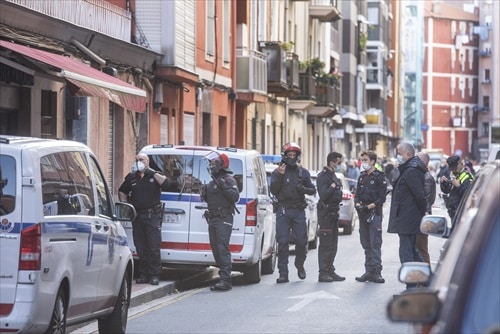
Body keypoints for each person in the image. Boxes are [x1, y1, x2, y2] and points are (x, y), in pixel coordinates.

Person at [119, 153, 169, 285]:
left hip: (152, 216)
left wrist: (150, 172)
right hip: (137, 216)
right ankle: (144, 274)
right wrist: (126, 206)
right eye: (137, 160)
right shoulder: (132, 177)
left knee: (153, 247)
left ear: (147, 162)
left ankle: (154, 275)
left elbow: (166, 183)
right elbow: (122, 191)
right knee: (140, 247)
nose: (138, 162)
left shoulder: (154, 175)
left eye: (141, 160)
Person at [270, 142, 316, 283]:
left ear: (298, 156)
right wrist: (280, 175)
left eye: (293, 155)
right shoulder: (277, 172)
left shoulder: (303, 172)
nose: (291, 157)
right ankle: (283, 273)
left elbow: (313, 190)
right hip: (283, 210)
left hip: (298, 210)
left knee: (301, 241)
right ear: (284, 156)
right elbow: (273, 190)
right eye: (289, 155)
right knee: (282, 242)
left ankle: (299, 264)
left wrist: (303, 189)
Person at [388, 142, 427, 289]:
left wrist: (421, 213)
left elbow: (420, 195)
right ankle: (429, 280)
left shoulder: (411, 171)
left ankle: (411, 287)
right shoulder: (408, 169)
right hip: (407, 217)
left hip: (408, 218)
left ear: (408, 155)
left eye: (399, 153)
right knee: (413, 252)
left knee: (406, 253)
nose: (397, 156)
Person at [200, 151, 239, 291]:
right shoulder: (211, 183)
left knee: (223, 248)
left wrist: (222, 185)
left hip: (224, 218)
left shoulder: (228, 180)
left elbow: (234, 197)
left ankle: (226, 280)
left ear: (221, 165)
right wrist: (204, 193)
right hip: (213, 219)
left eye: (213, 163)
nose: (211, 166)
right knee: (216, 249)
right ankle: (223, 277)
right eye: (210, 163)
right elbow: (210, 200)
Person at [354, 150, 388, 283]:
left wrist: (368, 207)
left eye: (365, 160)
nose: (363, 163)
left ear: (372, 161)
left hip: (374, 214)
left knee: (375, 244)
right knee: (366, 243)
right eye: (362, 160)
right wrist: (357, 204)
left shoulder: (379, 177)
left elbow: (381, 199)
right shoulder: (362, 177)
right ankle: (368, 271)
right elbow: (357, 194)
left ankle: (377, 272)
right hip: (362, 215)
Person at [316, 152, 346, 282]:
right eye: (338, 162)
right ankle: (323, 273)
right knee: (325, 245)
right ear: (331, 162)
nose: (340, 165)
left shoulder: (334, 176)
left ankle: (330, 270)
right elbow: (324, 195)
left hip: (334, 213)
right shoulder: (323, 176)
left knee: (333, 245)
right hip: (326, 214)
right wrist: (333, 186)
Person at [415, 152, 437, 264]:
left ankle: (424, 278)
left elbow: (426, 200)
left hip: (422, 217)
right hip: (420, 217)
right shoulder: (422, 176)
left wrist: (424, 214)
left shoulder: (426, 178)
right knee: (418, 249)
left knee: (421, 249)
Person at [439, 155, 474, 222]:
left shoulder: (467, 177)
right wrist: (444, 183)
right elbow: (447, 191)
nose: (453, 171)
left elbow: (469, 196)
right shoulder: (456, 175)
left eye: (455, 168)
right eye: (452, 169)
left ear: (461, 164)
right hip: (454, 213)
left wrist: (458, 186)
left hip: (461, 214)